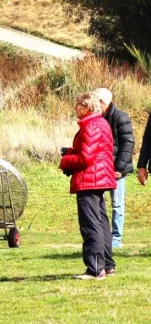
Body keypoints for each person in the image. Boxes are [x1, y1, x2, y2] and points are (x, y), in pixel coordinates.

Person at [60, 91, 117, 280]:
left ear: (86, 107)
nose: (75, 108)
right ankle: (107, 264)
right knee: (101, 222)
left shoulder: (91, 126)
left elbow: (86, 158)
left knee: (91, 224)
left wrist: (66, 161)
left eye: (78, 105)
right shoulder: (101, 123)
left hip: (89, 180)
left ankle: (95, 268)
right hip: (98, 179)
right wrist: (70, 151)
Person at [95, 88, 134, 248]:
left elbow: (128, 144)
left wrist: (119, 168)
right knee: (99, 202)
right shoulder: (97, 118)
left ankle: (116, 238)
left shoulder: (120, 117)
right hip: (101, 168)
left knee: (117, 203)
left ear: (102, 102)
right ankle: (102, 236)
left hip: (116, 169)